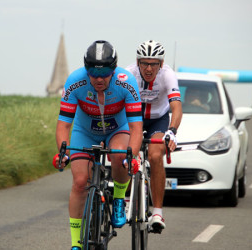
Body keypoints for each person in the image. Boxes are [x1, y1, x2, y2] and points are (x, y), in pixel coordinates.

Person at [53, 40, 143, 250]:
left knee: (120, 155)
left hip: (117, 129)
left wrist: (132, 157)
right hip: (84, 131)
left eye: (105, 73)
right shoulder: (75, 81)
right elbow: (63, 126)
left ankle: (120, 198)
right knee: (80, 182)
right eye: (93, 72)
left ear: (114, 69)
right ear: (86, 69)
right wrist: (63, 152)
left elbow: (136, 129)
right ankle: (76, 242)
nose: (99, 78)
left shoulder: (126, 81)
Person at [126, 40, 183, 233]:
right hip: (133, 118)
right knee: (125, 152)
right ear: (137, 62)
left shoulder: (167, 74)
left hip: (158, 119)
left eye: (154, 64)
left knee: (155, 155)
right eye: (144, 63)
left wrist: (172, 131)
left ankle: (157, 212)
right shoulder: (129, 74)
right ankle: (125, 196)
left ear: (161, 63)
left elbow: (176, 107)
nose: (149, 68)